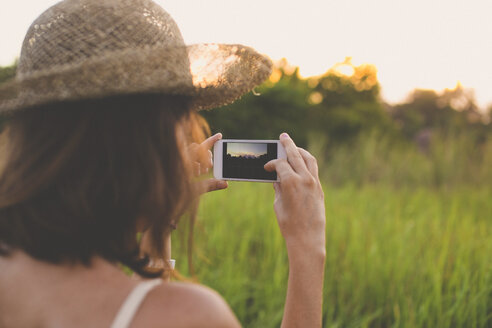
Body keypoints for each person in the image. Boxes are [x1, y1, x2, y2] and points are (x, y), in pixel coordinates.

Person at [0, 0, 326, 327]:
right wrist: (308, 249)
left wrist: (158, 222)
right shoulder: (195, 315)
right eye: (182, 119)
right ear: (150, 138)